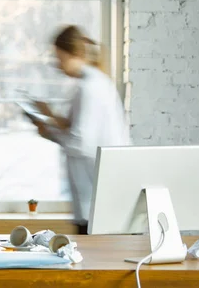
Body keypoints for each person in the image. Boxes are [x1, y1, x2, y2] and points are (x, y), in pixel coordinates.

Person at [33, 25, 130, 235]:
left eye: (60, 58)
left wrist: (48, 132)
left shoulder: (89, 89)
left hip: (96, 200)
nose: (57, 65)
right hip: (103, 197)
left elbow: (81, 142)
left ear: (74, 54)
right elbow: (80, 128)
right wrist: (50, 116)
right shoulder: (97, 83)